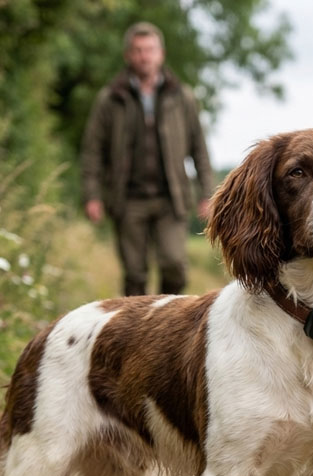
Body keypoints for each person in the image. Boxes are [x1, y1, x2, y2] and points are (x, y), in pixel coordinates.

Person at [81, 21, 215, 297]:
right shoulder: (110, 99)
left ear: (161, 54)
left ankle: (168, 322)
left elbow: (199, 149)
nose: (144, 56)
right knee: (134, 274)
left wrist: (207, 193)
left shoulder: (183, 97)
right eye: (138, 50)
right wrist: (92, 195)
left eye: (150, 50)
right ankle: (137, 335)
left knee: (175, 265)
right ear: (128, 55)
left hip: (171, 198)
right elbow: (93, 151)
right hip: (128, 199)